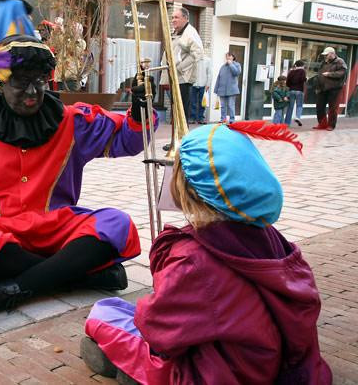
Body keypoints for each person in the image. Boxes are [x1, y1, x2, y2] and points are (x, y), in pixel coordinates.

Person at [0, 35, 158, 319]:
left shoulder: (72, 121)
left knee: (117, 223)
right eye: (22, 82)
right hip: (1, 233)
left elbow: (126, 140)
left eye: (40, 81)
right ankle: (77, 273)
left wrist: (139, 111)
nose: (33, 92)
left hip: (59, 228)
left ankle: (14, 289)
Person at [81, 121, 332, 384]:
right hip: (267, 361)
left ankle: (136, 368)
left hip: (224, 373)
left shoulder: (194, 260)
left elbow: (157, 330)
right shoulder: (271, 238)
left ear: (187, 189)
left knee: (104, 312)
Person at [169, 7, 204, 121]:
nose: (173, 20)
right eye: (172, 17)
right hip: (176, 77)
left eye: (176, 17)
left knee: (182, 111)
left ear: (185, 18)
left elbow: (198, 53)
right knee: (176, 111)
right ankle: (176, 137)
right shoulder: (177, 32)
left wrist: (179, 68)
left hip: (183, 78)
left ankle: (182, 137)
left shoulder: (190, 33)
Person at [313, 47, 347, 131]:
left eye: (326, 55)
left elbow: (342, 73)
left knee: (333, 108)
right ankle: (322, 124)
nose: (325, 56)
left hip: (334, 88)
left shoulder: (340, 61)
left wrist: (329, 74)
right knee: (319, 107)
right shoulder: (324, 62)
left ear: (332, 53)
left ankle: (331, 125)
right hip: (322, 88)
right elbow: (319, 73)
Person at [214, 52, 241, 123]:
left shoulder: (237, 65)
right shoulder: (223, 67)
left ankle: (232, 120)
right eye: (227, 56)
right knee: (223, 106)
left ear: (233, 57)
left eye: (229, 56)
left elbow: (236, 73)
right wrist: (216, 89)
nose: (228, 57)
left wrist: (231, 64)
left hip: (231, 90)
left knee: (230, 105)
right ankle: (223, 119)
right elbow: (218, 78)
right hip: (222, 90)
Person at [190, 56, 212, 124]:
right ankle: (192, 118)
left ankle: (201, 118)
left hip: (203, 84)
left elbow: (209, 73)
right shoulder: (193, 59)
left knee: (202, 103)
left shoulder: (207, 60)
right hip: (193, 84)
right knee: (192, 102)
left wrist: (208, 84)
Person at [286, 60, 307, 126]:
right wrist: (306, 79)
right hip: (299, 90)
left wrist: (291, 86)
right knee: (299, 105)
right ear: (302, 65)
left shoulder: (291, 72)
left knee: (290, 107)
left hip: (291, 90)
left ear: (296, 65)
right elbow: (302, 79)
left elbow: (287, 82)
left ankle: (287, 123)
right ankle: (297, 117)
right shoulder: (302, 71)